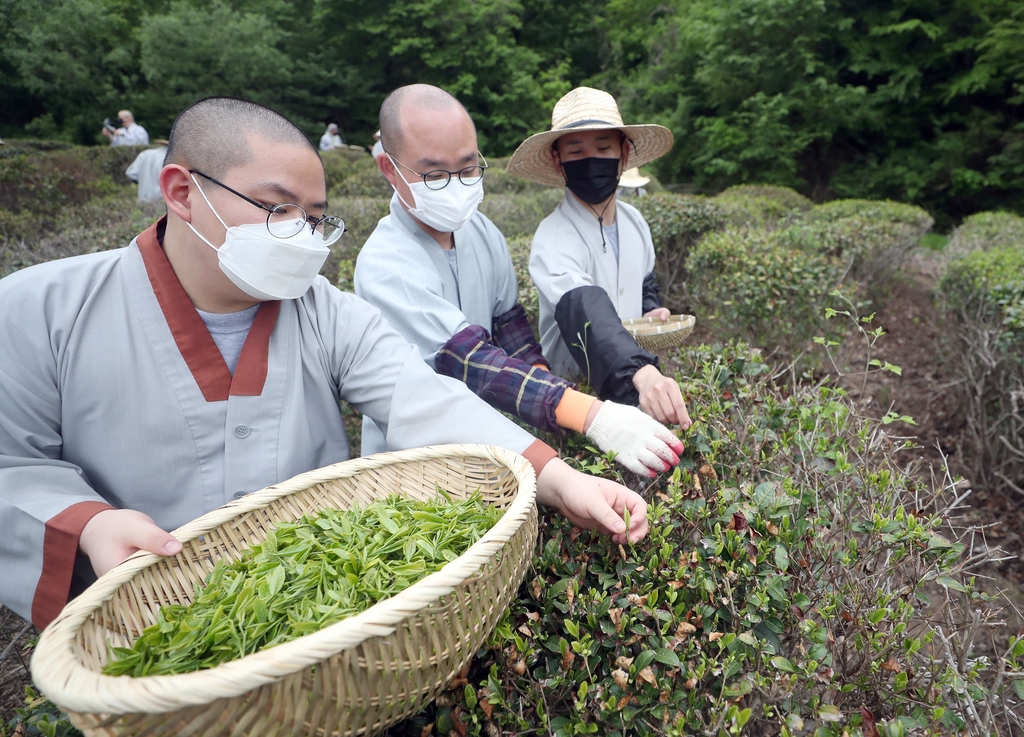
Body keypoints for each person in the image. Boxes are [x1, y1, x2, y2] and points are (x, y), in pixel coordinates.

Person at [0, 97, 650, 630]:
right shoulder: (39, 312)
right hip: (151, 632)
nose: (300, 236)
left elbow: (421, 395)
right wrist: (90, 522)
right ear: (181, 191)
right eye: (276, 209)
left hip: (321, 623)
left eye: (313, 217)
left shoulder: (324, 310)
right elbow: (13, 466)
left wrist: (559, 475)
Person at [354, 85, 682, 478]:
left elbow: (512, 333)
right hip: (417, 463)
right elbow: (469, 359)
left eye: (469, 167)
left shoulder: (482, 233)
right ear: (391, 169)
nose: (456, 183)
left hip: (494, 443)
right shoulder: (385, 263)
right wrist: (587, 413)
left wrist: (556, 404)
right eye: (435, 174)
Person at [507, 87, 691, 429]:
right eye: (576, 150)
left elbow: (644, 282)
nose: (591, 159)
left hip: (635, 390)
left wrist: (652, 311)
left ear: (624, 153)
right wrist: (642, 373)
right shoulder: (553, 236)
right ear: (556, 160)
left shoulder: (635, 223)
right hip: (577, 401)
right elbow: (583, 308)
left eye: (604, 147)